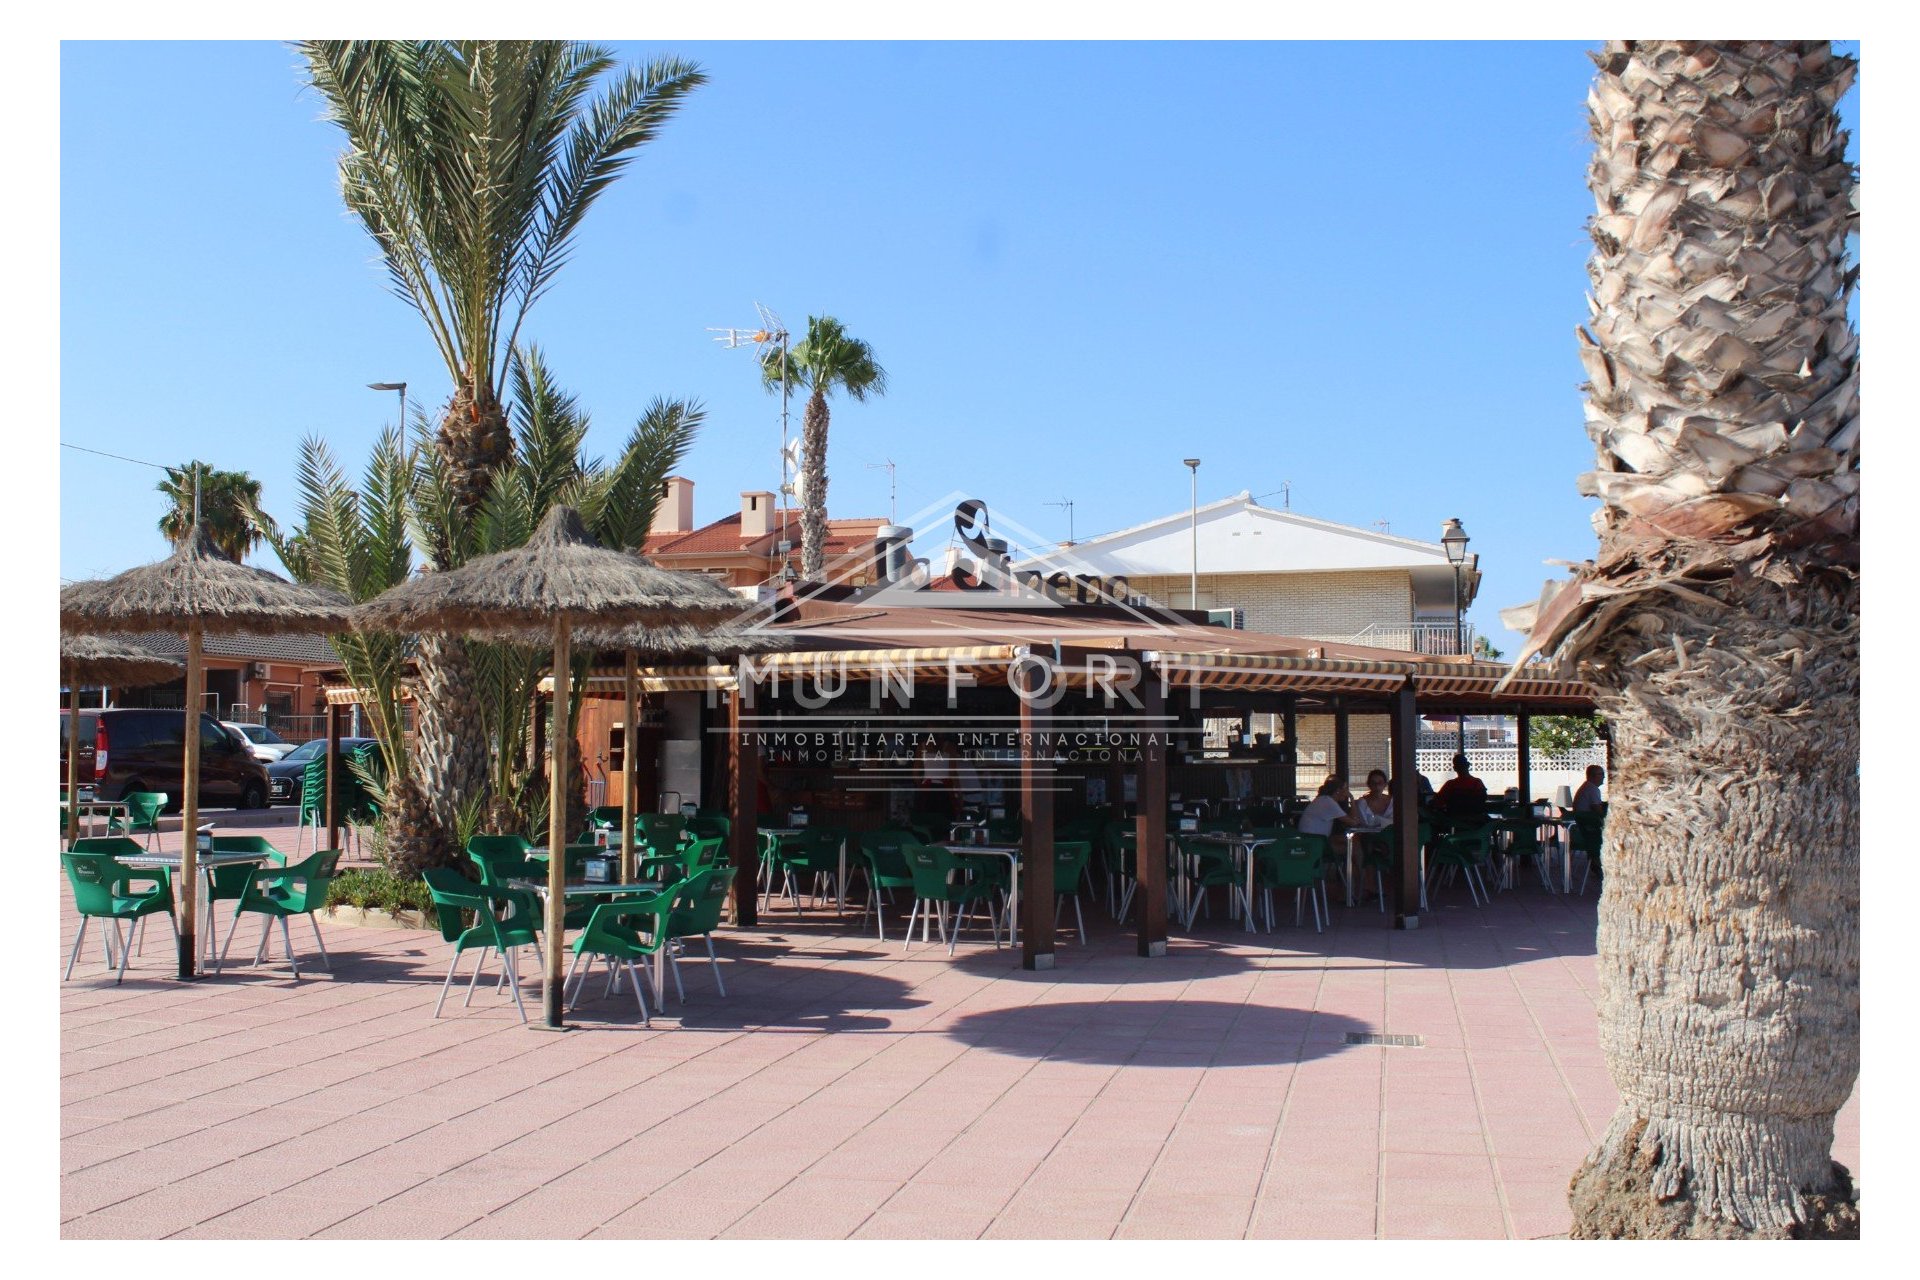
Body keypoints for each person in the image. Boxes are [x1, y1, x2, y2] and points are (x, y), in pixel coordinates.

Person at [1433, 753, 1489, 824]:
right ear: (1468, 765)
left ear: (1455, 768)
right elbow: (1483, 801)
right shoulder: (1477, 783)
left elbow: (1438, 801)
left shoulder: (1450, 785)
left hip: (1455, 821)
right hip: (1476, 821)